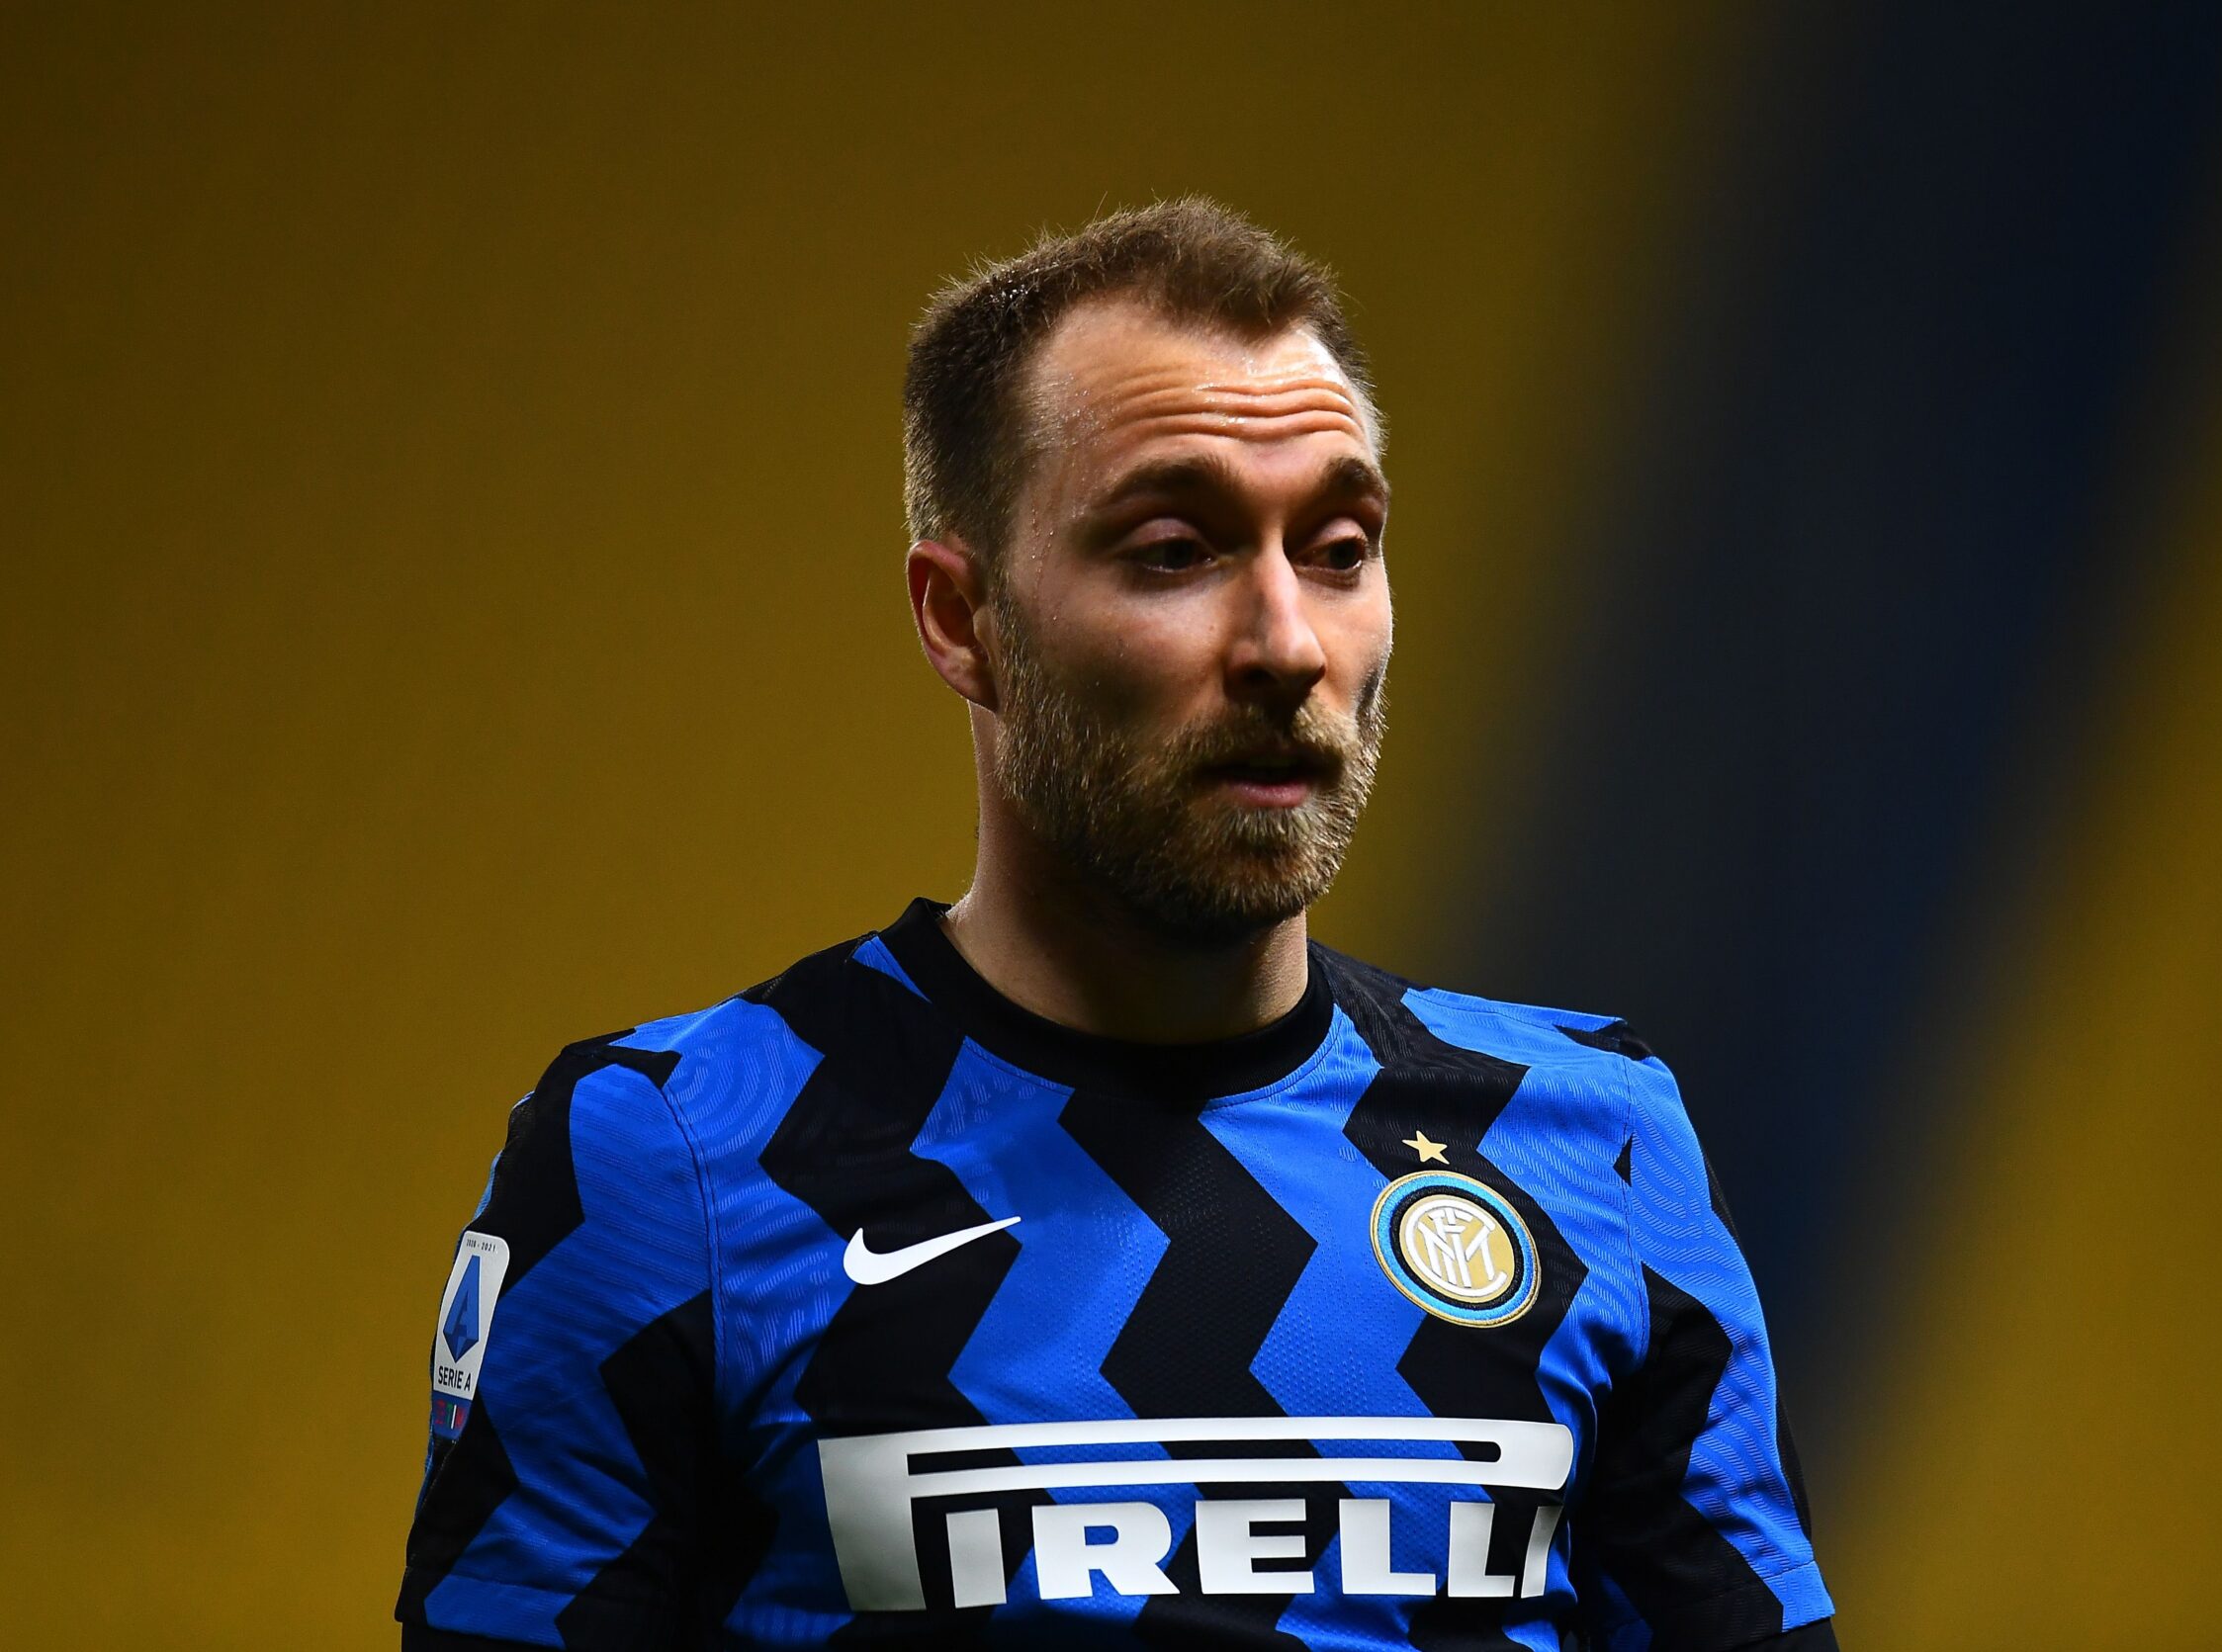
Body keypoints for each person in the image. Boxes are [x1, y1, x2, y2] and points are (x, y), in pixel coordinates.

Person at [399, 198, 1835, 1652]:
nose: (1287, 643)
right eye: (1173, 550)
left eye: (1339, 547)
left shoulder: (1597, 1144)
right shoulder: (669, 1161)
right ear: (962, 620)